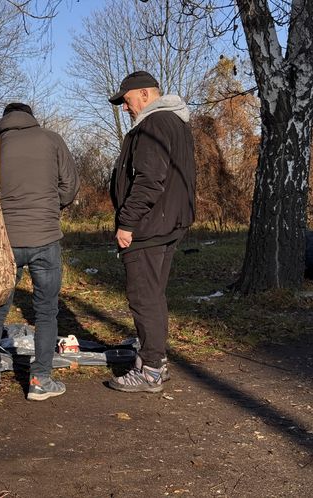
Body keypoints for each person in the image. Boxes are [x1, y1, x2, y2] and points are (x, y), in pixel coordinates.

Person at [0, 102, 79, 401]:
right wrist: (48, 206)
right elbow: (70, 187)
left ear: (3, 120)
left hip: (4, 243)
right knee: (46, 312)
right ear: (31, 118)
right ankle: (40, 381)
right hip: (45, 237)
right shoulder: (52, 140)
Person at [107, 71, 196, 393]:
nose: (125, 108)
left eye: (127, 100)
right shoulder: (176, 123)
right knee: (153, 297)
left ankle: (150, 371)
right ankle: (156, 361)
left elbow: (149, 179)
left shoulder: (153, 124)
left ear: (144, 95)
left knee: (143, 298)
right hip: (167, 222)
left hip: (148, 226)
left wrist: (127, 222)